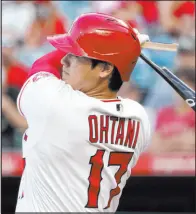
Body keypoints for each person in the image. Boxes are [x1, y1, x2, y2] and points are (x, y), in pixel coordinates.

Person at [15, 13, 151, 212]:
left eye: (75, 56)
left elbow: (41, 66)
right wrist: (121, 48)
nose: (64, 61)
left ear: (104, 69)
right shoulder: (139, 117)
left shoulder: (55, 104)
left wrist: (122, 44)